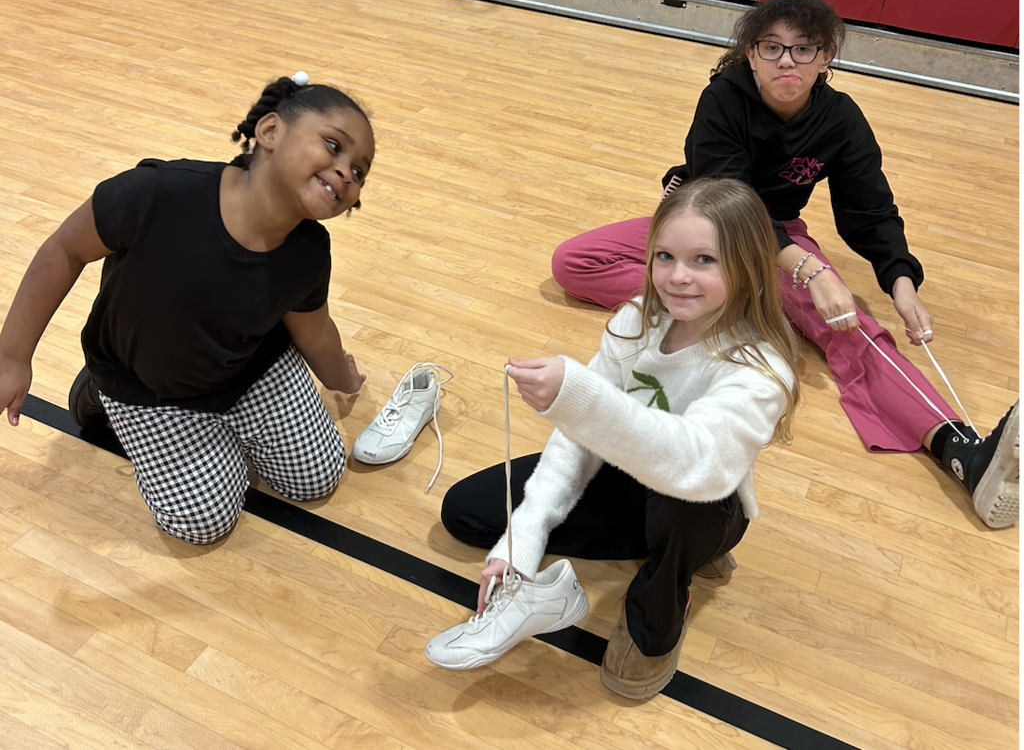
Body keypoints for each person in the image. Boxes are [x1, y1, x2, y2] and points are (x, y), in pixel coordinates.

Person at [551, 0, 1018, 530]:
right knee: (574, 262)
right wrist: (809, 270)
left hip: (778, 239)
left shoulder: (841, 118)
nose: (786, 61)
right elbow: (730, 198)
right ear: (751, 54)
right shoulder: (722, 99)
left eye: (803, 49)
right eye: (771, 47)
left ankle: (958, 448)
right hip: (703, 222)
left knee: (851, 327)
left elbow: (869, 209)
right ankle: (745, 308)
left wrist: (901, 281)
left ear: (826, 58)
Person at [432, 179, 799, 700]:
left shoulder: (760, 368)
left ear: (748, 266)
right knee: (466, 513)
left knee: (678, 506)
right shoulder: (637, 319)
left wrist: (581, 398)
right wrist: (526, 534)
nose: (677, 277)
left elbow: (698, 463)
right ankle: (627, 562)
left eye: (704, 260)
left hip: (702, 500)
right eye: (665, 256)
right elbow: (580, 436)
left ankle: (663, 599)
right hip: (630, 475)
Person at [0, 73, 374, 544]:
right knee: (202, 523)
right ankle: (98, 393)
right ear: (270, 131)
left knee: (317, 478)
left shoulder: (309, 251)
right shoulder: (158, 193)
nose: (346, 173)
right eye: (333, 146)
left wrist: (343, 378)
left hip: (252, 369)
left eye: (360, 171)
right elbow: (63, 251)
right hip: (146, 383)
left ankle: (225, 435)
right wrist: (12, 357)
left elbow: (313, 331)